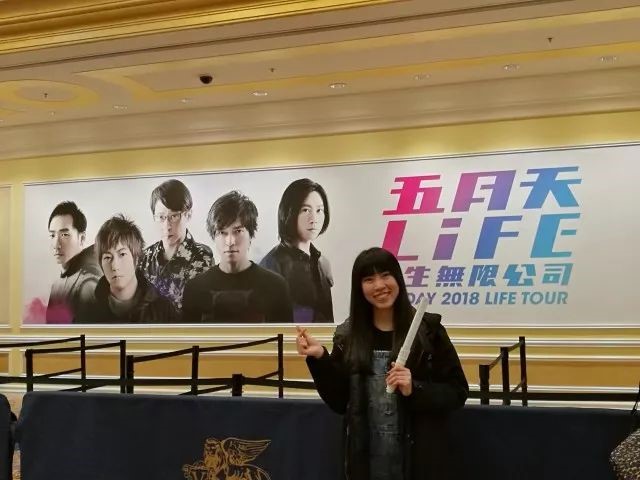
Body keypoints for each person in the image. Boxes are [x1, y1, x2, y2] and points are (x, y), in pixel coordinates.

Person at [296, 247, 468, 480]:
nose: (379, 285)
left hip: (419, 462)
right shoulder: (348, 336)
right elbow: (339, 401)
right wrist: (319, 358)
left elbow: (457, 392)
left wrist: (414, 388)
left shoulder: (429, 331)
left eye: (385, 275)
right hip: (365, 462)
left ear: (398, 279)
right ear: (359, 288)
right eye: (369, 279)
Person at [182, 191, 293, 323]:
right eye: (222, 232)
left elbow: (283, 336)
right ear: (213, 236)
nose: (230, 241)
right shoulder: (195, 289)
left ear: (250, 234)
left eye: (238, 231)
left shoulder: (276, 287)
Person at [260, 178, 333, 323]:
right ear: (289, 212)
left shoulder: (323, 262)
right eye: (305, 210)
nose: (314, 219)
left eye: (319, 210)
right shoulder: (271, 266)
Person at [88, 214, 178, 323]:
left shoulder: (164, 310)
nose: (115, 266)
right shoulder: (88, 311)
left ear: (136, 258)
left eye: (122, 254)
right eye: (107, 257)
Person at [139, 179, 213, 311]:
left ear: (188, 215)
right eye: (161, 217)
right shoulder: (145, 257)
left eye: (174, 216)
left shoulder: (202, 257)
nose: (167, 226)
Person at [46, 201, 101, 324]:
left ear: (82, 238)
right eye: (53, 235)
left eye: (65, 235)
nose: (56, 245)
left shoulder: (87, 284)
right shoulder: (57, 285)